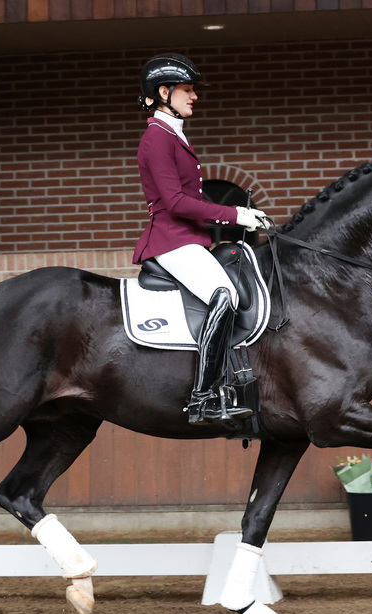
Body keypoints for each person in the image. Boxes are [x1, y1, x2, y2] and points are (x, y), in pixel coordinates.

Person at [133, 53, 269, 425]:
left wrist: (242, 217)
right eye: (187, 90)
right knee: (222, 295)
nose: (194, 97)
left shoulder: (172, 134)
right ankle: (204, 397)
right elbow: (176, 203)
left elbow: (194, 197)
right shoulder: (156, 138)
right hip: (171, 239)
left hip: (189, 238)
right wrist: (234, 213)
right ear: (164, 92)